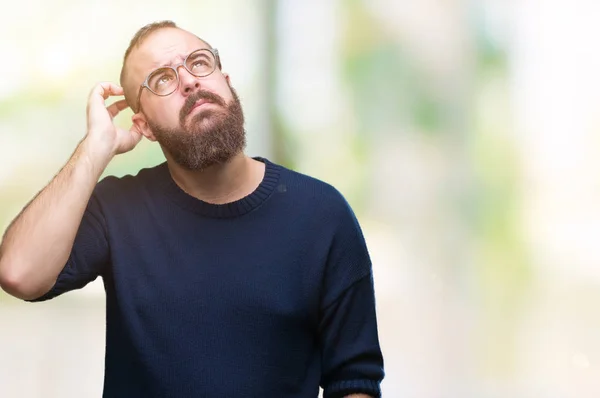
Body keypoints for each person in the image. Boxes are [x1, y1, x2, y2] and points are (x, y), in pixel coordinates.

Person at [0, 21, 384, 398]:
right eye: (162, 79)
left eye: (199, 62)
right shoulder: (118, 209)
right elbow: (20, 273)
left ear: (226, 81)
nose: (188, 81)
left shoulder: (321, 214)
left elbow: (354, 380)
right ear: (144, 125)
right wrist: (94, 147)